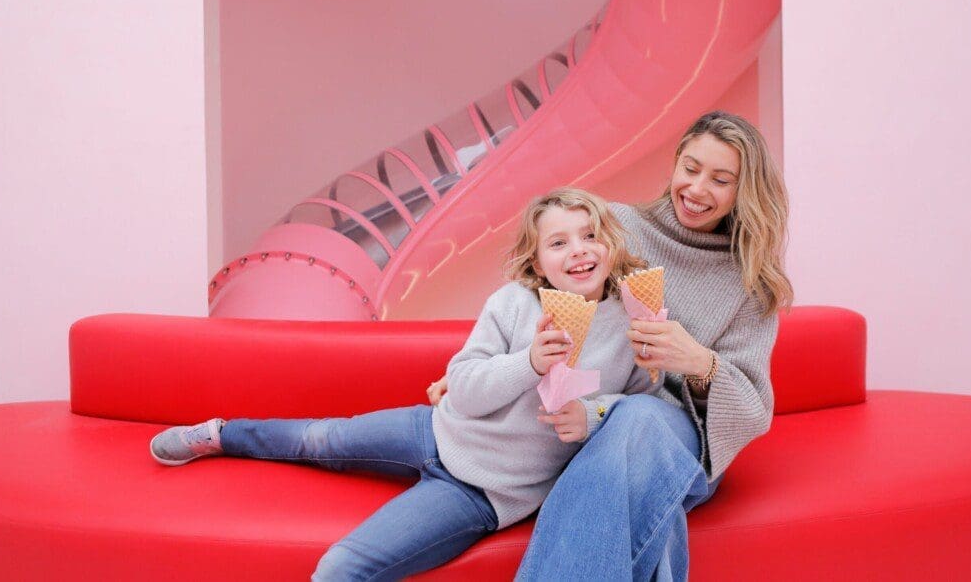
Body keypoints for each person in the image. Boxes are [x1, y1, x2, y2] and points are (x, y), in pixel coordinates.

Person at [149, 187, 663, 581]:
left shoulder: (633, 322)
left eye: (590, 235)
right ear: (536, 261)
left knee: (338, 569)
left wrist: (593, 416)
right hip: (435, 430)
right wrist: (527, 362)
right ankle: (222, 434)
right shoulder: (511, 303)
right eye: (559, 242)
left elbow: (638, 409)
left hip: (483, 494)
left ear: (611, 244)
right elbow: (462, 386)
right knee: (320, 439)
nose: (578, 250)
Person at [428, 111, 793, 581]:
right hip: (595, 418)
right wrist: (480, 369)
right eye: (690, 167)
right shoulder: (619, 225)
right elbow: (538, 285)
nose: (698, 189)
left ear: (744, 191)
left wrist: (700, 363)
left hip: (676, 433)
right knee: (630, 464)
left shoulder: (751, 285)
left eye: (721, 179)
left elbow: (753, 411)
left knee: (638, 418)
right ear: (675, 163)